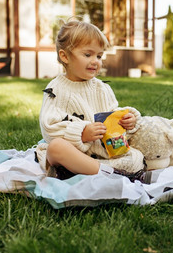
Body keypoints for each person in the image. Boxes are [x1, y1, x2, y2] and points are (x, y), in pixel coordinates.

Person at [35, 18, 148, 182]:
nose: (95, 61)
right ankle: (111, 174)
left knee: (136, 154)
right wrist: (82, 133)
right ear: (65, 56)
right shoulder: (57, 89)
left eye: (99, 56)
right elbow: (49, 127)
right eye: (88, 54)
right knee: (56, 148)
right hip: (72, 154)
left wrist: (125, 120)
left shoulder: (102, 88)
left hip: (102, 154)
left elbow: (111, 116)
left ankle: (96, 172)